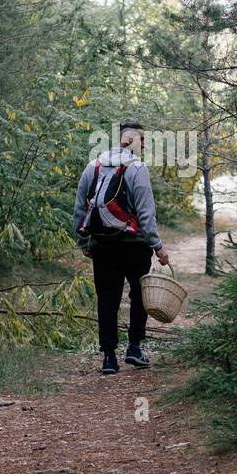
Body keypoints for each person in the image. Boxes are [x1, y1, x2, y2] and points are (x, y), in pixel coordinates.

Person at [73, 121, 170, 375]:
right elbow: (146, 214)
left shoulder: (92, 166)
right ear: (131, 141)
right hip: (134, 246)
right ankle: (134, 349)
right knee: (140, 296)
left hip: (103, 246)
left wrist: (84, 242)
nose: (144, 145)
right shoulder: (137, 168)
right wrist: (158, 247)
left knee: (107, 299)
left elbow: (79, 209)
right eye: (142, 140)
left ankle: (108, 358)